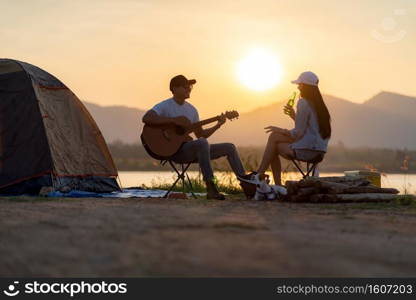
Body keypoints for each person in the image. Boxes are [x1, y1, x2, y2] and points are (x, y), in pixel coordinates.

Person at [142, 75, 248, 200]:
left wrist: (217, 125)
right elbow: (147, 118)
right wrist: (173, 121)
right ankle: (211, 187)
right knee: (202, 143)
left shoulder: (192, 110)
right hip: (173, 152)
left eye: (190, 86)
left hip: (191, 150)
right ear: (175, 88)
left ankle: (247, 185)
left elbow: (201, 135)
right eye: (185, 86)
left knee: (229, 147)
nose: (189, 88)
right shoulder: (164, 106)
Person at [256, 71, 331, 185]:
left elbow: (298, 133)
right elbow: (309, 129)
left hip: (307, 150)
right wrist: (294, 116)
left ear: (304, 86)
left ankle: (260, 177)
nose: (298, 87)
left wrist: (280, 130)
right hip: (319, 152)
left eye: (300, 84)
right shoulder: (320, 106)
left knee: (274, 140)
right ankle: (263, 177)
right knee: (274, 138)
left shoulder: (303, 102)